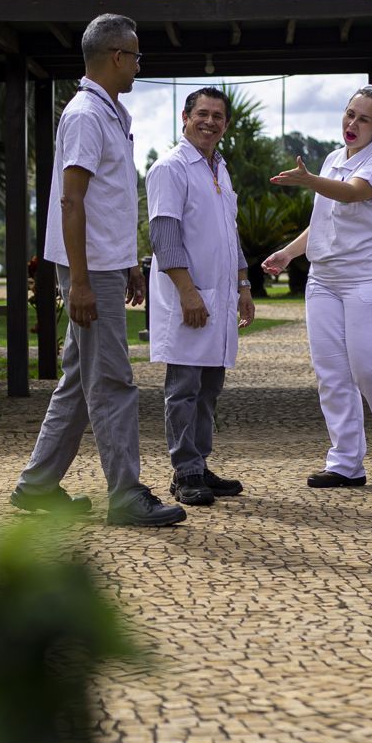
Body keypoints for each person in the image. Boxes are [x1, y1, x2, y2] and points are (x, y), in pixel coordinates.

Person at [11, 14, 186, 527]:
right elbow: (72, 201)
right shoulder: (87, 113)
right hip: (88, 271)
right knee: (112, 381)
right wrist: (82, 281)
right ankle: (126, 495)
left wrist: (129, 260)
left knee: (79, 380)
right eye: (135, 56)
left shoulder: (111, 113)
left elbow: (110, 200)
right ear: (116, 57)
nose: (137, 65)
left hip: (106, 265)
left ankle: (37, 486)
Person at [262, 85, 372, 488]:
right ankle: (346, 463)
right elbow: (325, 220)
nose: (352, 124)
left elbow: (352, 195)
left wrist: (308, 180)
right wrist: (288, 253)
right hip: (325, 279)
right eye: (350, 114)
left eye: (364, 118)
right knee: (332, 373)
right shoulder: (335, 158)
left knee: (369, 366)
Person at [146, 87, 256, 506]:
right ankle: (185, 470)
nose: (210, 121)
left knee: (209, 387)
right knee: (184, 388)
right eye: (202, 114)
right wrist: (188, 293)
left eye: (218, 116)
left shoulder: (220, 170)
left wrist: (244, 284)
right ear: (185, 117)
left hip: (221, 297)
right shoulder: (170, 168)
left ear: (226, 125)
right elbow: (164, 234)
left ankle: (200, 464)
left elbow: (230, 234)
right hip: (189, 298)